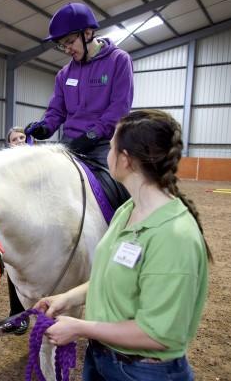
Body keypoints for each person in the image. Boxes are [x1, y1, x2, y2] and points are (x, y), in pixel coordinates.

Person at [34, 110, 211, 381]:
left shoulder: (174, 236)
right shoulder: (127, 210)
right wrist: (67, 298)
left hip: (144, 371)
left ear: (125, 160)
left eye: (111, 146)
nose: (107, 153)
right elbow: (113, 277)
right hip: (104, 358)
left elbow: (158, 334)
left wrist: (81, 328)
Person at [25, 2, 133, 168]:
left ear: (88, 33)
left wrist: (92, 135)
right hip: (70, 143)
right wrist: (45, 127)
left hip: (103, 145)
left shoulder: (119, 61)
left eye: (69, 42)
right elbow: (56, 110)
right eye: (62, 45)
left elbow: (119, 109)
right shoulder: (64, 74)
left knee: (115, 187)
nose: (67, 49)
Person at [0, 127, 29, 335]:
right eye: (14, 139)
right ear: (9, 144)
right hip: (16, 225)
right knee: (14, 272)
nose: (19, 141)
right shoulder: (6, 167)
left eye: (22, 137)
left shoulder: (38, 162)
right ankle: (18, 316)